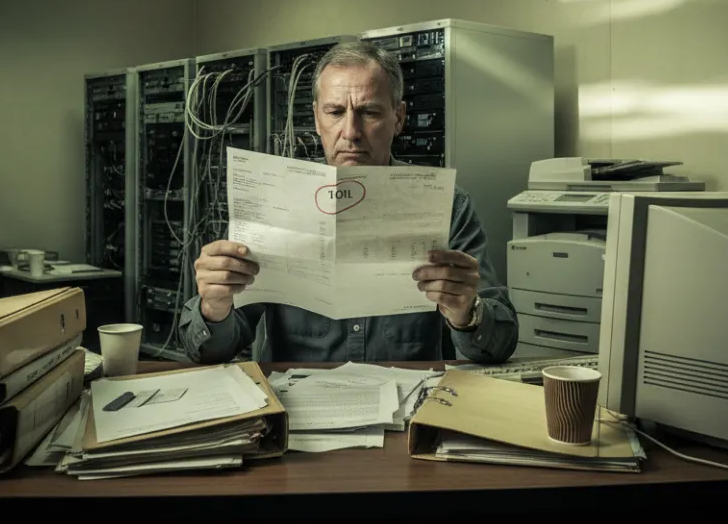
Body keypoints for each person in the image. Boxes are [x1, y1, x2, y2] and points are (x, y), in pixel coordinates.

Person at [177, 41, 518, 363]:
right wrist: (214, 307)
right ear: (316, 118)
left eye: (369, 112)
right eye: (335, 112)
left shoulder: (449, 206)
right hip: (300, 409)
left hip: (410, 410)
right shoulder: (273, 203)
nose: (351, 131)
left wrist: (467, 313)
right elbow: (209, 351)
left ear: (398, 118)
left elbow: (499, 343)